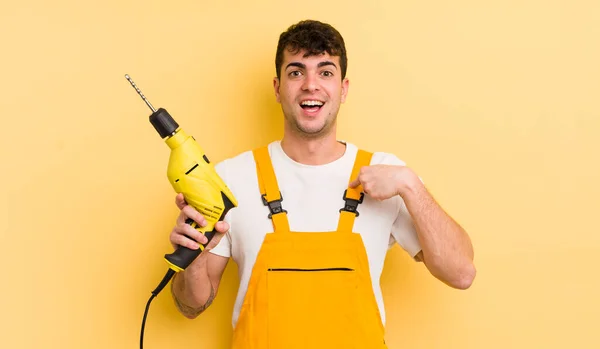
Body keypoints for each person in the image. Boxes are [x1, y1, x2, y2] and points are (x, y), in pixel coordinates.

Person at [169, 19, 476, 348]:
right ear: (277, 88)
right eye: (296, 72)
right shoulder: (230, 179)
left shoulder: (386, 174)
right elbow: (191, 306)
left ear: (343, 89)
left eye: (325, 72)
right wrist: (194, 259)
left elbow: (461, 273)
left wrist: (410, 185)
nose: (310, 85)